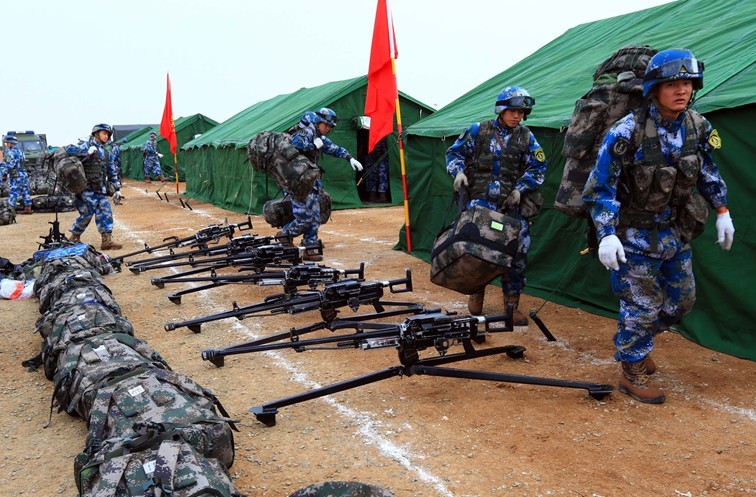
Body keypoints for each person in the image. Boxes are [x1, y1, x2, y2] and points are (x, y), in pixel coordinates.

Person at [582, 48, 735, 404]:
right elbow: (600, 187)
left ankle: (636, 341)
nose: (681, 90)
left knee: (683, 301)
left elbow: (708, 173)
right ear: (654, 88)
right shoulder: (626, 131)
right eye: (672, 84)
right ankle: (631, 369)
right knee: (642, 306)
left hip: (673, 232)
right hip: (632, 236)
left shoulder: (698, 126)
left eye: (686, 83)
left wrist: (723, 210)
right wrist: (605, 234)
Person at [446, 86, 547, 326]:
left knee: (517, 252)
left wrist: (519, 189)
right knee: (476, 251)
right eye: (513, 111)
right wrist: (458, 173)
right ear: (501, 110)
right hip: (479, 205)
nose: (517, 116)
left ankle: (511, 306)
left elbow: (538, 167)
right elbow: (453, 154)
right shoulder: (477, 131)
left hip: (510, 207)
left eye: (521, 112)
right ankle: (475, 293)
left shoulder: (527, 137)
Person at [276, 107, 363, 261]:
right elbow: (292, 148)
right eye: (325, 125)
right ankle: (284, 235)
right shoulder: (307, 133)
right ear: (318, 122)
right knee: (304, 217)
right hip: (296, 182)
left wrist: (349, 158)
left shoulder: (318, 136)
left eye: (330, 126)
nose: (327, 128)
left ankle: (310, 246)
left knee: (315, 216)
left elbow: (333, 148)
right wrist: (313, 146)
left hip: (310, 181)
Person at [63, 123, 124, 250]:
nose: (106, 136)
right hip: (87, 189)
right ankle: (74, 236)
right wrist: (86, 152)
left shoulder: (107, 153)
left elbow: (112, 172)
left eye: (108, 134)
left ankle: (106, 240)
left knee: (106, 212)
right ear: (96, 133)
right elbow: (68, 149)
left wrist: (117, 189)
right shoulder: (86, 145)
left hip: (101, 189)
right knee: (87, 213)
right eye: (104, 133)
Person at [0, 135, 33, 214]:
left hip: (16, 176)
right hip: (24, 174)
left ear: (10, 143)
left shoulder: (10, 153)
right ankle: (28, 208)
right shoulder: (21, 152)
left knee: (14, 192)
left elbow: (10, 166)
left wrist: (3, 168)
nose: (6, 145)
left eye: (7, 143)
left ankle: (11, 211)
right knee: (25, 192)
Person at [365, 137, 390, 202]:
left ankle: (382, 195)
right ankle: (372, 195)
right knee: (371, 174)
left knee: (382, 174)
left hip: (383, 154)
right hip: (371, 153)